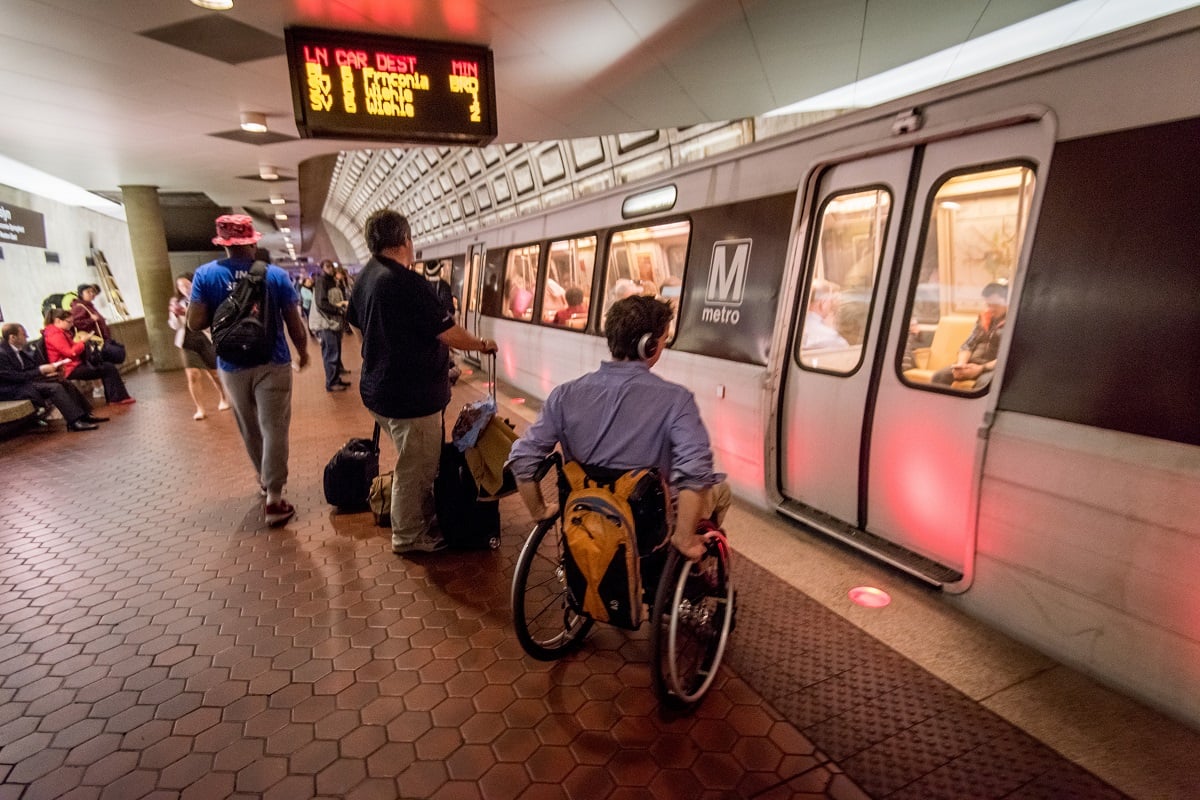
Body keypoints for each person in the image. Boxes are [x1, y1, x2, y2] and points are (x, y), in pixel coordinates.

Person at [507, 295, 729, 562]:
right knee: (721, 491)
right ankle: (693, 563)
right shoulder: (676, 400)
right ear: (649, 346)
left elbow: (522, 459)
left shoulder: (563, 396)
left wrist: (539, 511)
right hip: (650, 530)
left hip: (585, 521)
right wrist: (684, 538)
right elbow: (695, 471)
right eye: (664, 339)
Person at [345, 209, 498, 555]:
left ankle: (417, 518)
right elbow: (448, 333)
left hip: (380, 393)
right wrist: (482, 344)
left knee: (410, 459)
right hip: (411, 399)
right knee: (417, 469)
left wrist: (376, 353)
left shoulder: (366, 276)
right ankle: (410, 535)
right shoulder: (407, 283)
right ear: (404, 241)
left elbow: (354, 325)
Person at [187, 214, 310, 527]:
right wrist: (303, 352)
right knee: (274, 427)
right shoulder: (275, 276)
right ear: (253, 241)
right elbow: (293, 321)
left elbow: (195, 323)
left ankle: (264, 480)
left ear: (223, 245)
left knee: (250, 427)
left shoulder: (205, 275)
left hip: (231, 364)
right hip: (273, 361)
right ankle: (276, 497)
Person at [0, 322, 107, 432]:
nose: (27, 336)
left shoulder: (19, 349)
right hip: (12, 389)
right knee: (55, 388)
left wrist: (46, 372)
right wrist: (40, 370)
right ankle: (74, 421)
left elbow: (30, 369)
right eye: (23, 334)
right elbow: (14, 377)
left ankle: (85, 415)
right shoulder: (2, 354)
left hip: (24, 382)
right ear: (12, 337)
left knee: (63, 382)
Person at [168, 273, 230, 420]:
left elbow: (212, 321)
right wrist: (176, 315)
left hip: (204, 339)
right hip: (186, 341)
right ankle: (200, 408)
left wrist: (189, 312)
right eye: (180, 286)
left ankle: (224, 397)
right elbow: (174, 325)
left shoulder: (204, 298)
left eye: (187, 284)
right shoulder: (176, 302)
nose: (184, 288)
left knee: (214, 373)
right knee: (193, 374)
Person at [42, 308, 135, 405]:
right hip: (69, 369)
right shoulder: (55, 334)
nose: (71, 324)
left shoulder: (55, 332)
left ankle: (115, 398)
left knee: (106, 367)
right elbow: (71, 352)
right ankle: (117, 398)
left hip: (70, 366)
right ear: (58, 321)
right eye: (69, 322)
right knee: (108, 368)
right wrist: (83, 342)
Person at [931, 281, 1009, 389]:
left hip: (991, 368)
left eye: (995, 305)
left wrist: (981, 368)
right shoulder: (983, 319)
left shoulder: (1013, 323)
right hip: (970, 364)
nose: (991, 309)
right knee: (939, 376)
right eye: (988, 304)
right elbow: (968, 344)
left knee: (984, 383)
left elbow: (1008, 356)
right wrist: (962, 365)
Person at [309, 259, 351, 392]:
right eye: (327, 266)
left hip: (333, 322)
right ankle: (331, 383)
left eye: (331, 266)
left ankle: (335, 379)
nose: (330, 268)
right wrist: (338, 310)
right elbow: (322, 303)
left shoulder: (332, 281)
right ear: (322, 268)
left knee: (335, 352)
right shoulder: (322, 281)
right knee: (331, 353)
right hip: (326, 323)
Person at [801, 278, 849, 349]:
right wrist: (832, 328)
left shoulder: (798, 323)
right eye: (831, 301)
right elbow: (844, 347)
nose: (833, 306)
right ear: (823, 303)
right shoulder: (830, 336)